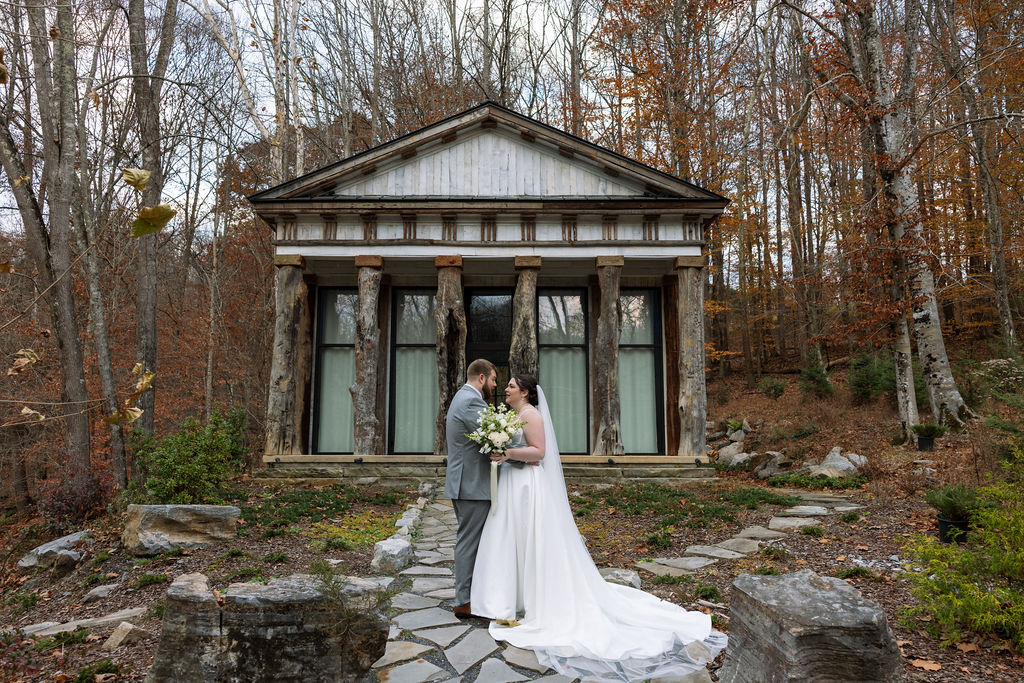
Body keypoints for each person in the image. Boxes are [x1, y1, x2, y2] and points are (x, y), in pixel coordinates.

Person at [471, 373, 727, 682]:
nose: (507, 390)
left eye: (511, 386)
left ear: (524, 392)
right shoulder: (515, 414)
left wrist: (507, 452)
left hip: (529, 487)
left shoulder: (531, 415)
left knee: (531, 540)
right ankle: (515, 599)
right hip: (515, 485)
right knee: (515, 541)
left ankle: (534, 601)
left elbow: (539, 453)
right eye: (507, 385)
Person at [443, 358, 498, 619]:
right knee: (468, 542)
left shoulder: (462, 397)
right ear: (481, 377)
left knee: (471, 541)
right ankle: (463, 601)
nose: (495, 385)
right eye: (494, 380)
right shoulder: (471, 400)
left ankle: (472, 596)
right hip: (471, 484)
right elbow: (492, 435)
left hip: (466, 482)